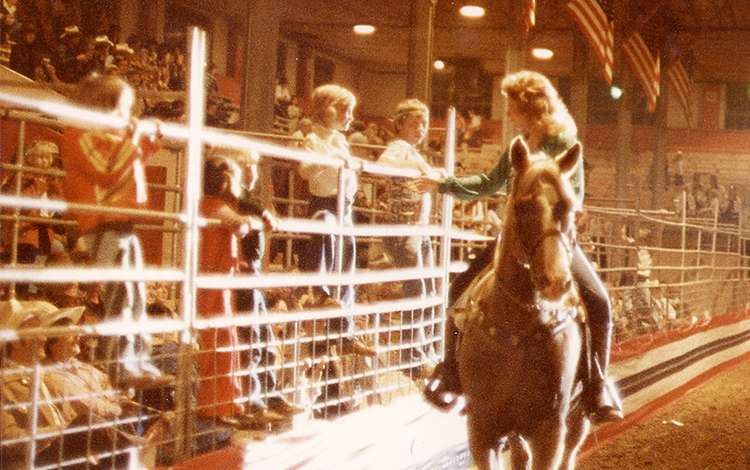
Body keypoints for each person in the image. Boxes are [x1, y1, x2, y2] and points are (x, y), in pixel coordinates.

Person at [412, 70, 623, 424]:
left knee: (599, 301)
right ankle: (451, 370)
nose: (509, 114)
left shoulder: (566, 144)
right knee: (459, 288)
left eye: (513, 108)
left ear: (531, 109)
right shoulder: (519, 143)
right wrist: (442, 184)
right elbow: (490, 182)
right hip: (514, 238)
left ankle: (596, 384)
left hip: (552, 239)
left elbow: (576, 196)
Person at [61, 74, 170, 390]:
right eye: (123, 110)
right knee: (120, 298)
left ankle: (138, 360)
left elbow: (126, 165)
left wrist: (147, 142)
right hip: (102, 226)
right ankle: (119, 366)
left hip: (122, 223)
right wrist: (136, 140)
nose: (130, 118)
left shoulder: (110, 138)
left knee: (135, 296)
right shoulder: (80, 134)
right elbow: (108, 171)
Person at [196, 149, 280, 423]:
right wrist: (253, 221)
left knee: (229, 343)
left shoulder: (213, 205)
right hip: (215, 280)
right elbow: (240, 226)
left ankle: (229, 404)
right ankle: (215, 406)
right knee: (221, 344)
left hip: (223, 279)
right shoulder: (213, 205)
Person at [297, 84, 376, 357]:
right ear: (327, 109)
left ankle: (346, 332)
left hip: (345, 204)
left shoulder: (341, 140)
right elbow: (305, 170)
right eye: (345, 110)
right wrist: (334, 159)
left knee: (348, 261)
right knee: (326, 230)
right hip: (324, 203)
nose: (350, 117)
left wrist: (353, 165)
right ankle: (320, 292)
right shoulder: (313, 140)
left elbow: (346, 168)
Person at [377, 98, 446, 377]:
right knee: (417, 288)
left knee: (428, 289)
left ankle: (424, 351)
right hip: (404, 226)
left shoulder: (413, 151)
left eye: (425, 123)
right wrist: (419, 166)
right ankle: (412, 355)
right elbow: (384, 164)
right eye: (416, 122)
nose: (421, 128)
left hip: (419, 227)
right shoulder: (399, 148)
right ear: (400, 123)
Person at [0, 308, 69, 470]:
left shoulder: (45, 377)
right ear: (15, 342)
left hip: (63, 453)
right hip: (35, 461)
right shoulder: (4, 383)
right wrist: (58, 431)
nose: (44, 338)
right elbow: (7, 439)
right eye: (35, 331)